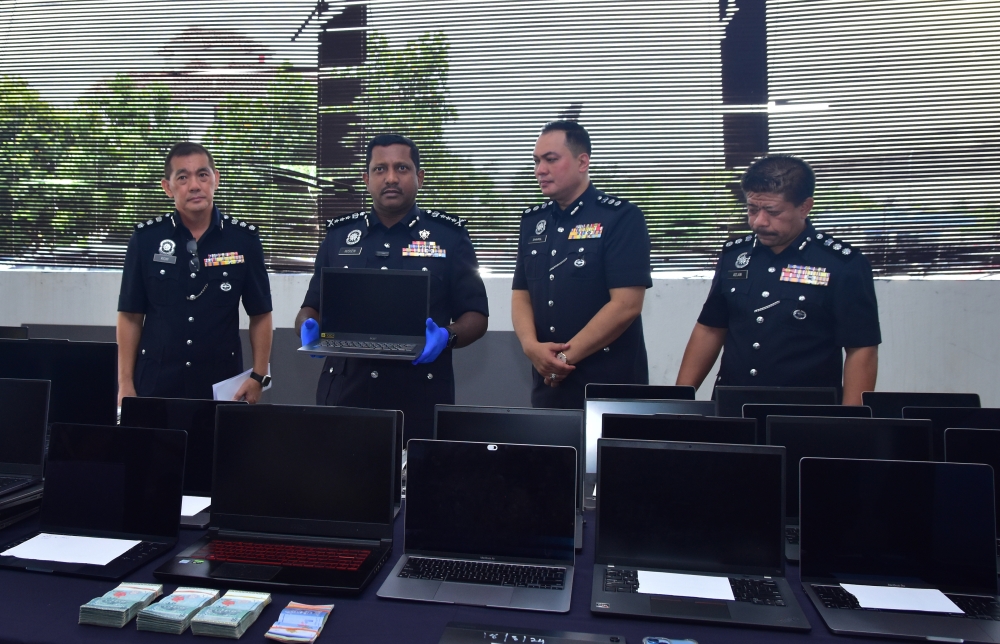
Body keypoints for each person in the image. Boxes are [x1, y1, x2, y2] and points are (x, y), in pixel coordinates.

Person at [295, 134, 488, 440]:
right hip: (345, 394)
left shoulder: (449, 237)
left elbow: (476, 315)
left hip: (420, 396)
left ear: (419, 177)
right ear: (366, 179)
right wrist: (307, 326)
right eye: (380, 169)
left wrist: (446, 337)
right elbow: (311, 306)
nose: (391, 178)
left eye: (402, 168)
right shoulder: (339, 236)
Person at [675, 154, 880, 405]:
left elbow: (861, 348)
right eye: (752, 209)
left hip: (806, 410)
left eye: (773, 212)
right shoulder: (735, 256)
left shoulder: (841, 264)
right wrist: (680, 400)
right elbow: (710, 328)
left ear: (805, 207)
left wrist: (851, 420)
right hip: (733, 402)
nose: (759, 222)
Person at [117, 142, 273, 405]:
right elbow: (130, 316)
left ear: (216, 179)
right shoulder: (146, 240)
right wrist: (125, 383)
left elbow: (260, 314)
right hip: (155, 383)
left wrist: (258, 377)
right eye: (182, 177)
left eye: (202, 175)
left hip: (221, 386)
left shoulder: (243, 241)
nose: (194, 186)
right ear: (168, 187)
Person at [512, 121, 652, 410]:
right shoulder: (533, 222)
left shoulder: (621, 218)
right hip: (549, 384)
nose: (540, 170)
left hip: (609, 384)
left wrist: (562, 359)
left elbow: (626, 305)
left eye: (551, 159)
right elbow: (521, 293)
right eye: (536, 161)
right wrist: (531, 348)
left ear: (582, 162)